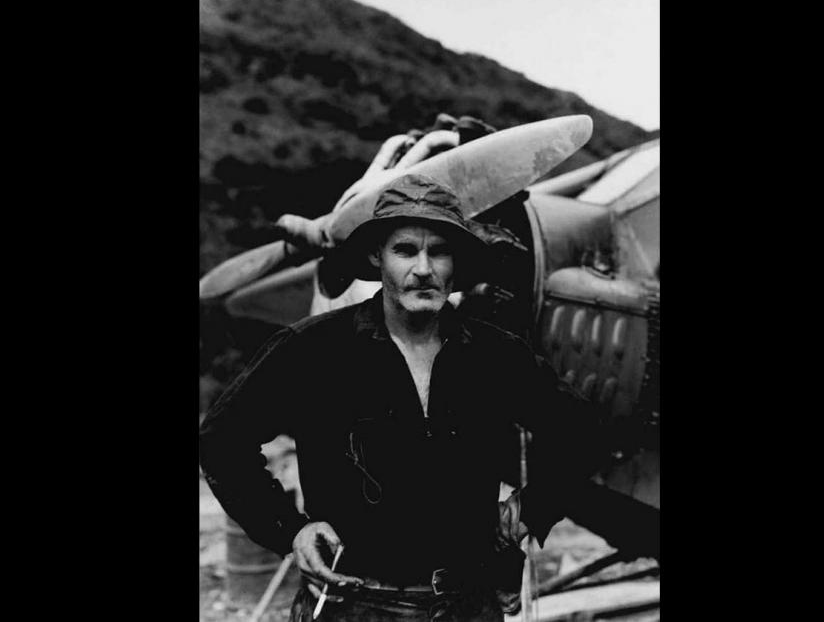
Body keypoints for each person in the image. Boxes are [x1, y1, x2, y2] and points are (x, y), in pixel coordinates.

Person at [199, 173, 605, 621]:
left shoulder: (496, 353)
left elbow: (581, 431)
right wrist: (290, 531)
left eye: (440, 251)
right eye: (406, 250)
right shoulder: (313, 348)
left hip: (467, 603)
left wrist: (538, 503)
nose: (424, 269)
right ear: (377, 256)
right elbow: (222, 440)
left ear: (457, 263)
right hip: (351, 604)